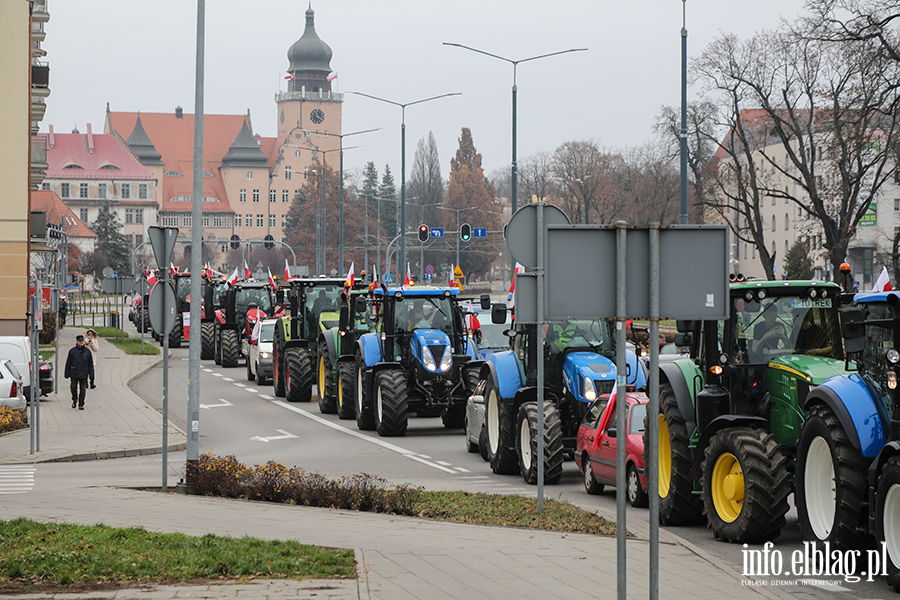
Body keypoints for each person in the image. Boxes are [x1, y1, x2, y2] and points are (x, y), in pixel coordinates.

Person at [64, 334, 94, 409]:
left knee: (83, 389)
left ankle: (81, 403)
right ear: (77, 342)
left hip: (84, 373)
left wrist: (91, 375)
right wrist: (67, 373)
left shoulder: (87, 351)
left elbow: (90, 364)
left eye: (82, 341)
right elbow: (68, 363)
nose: (81, 342)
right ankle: (74, 399)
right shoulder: (72, 351)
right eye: (80, 341)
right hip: (74, 372)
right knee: (73, 387)